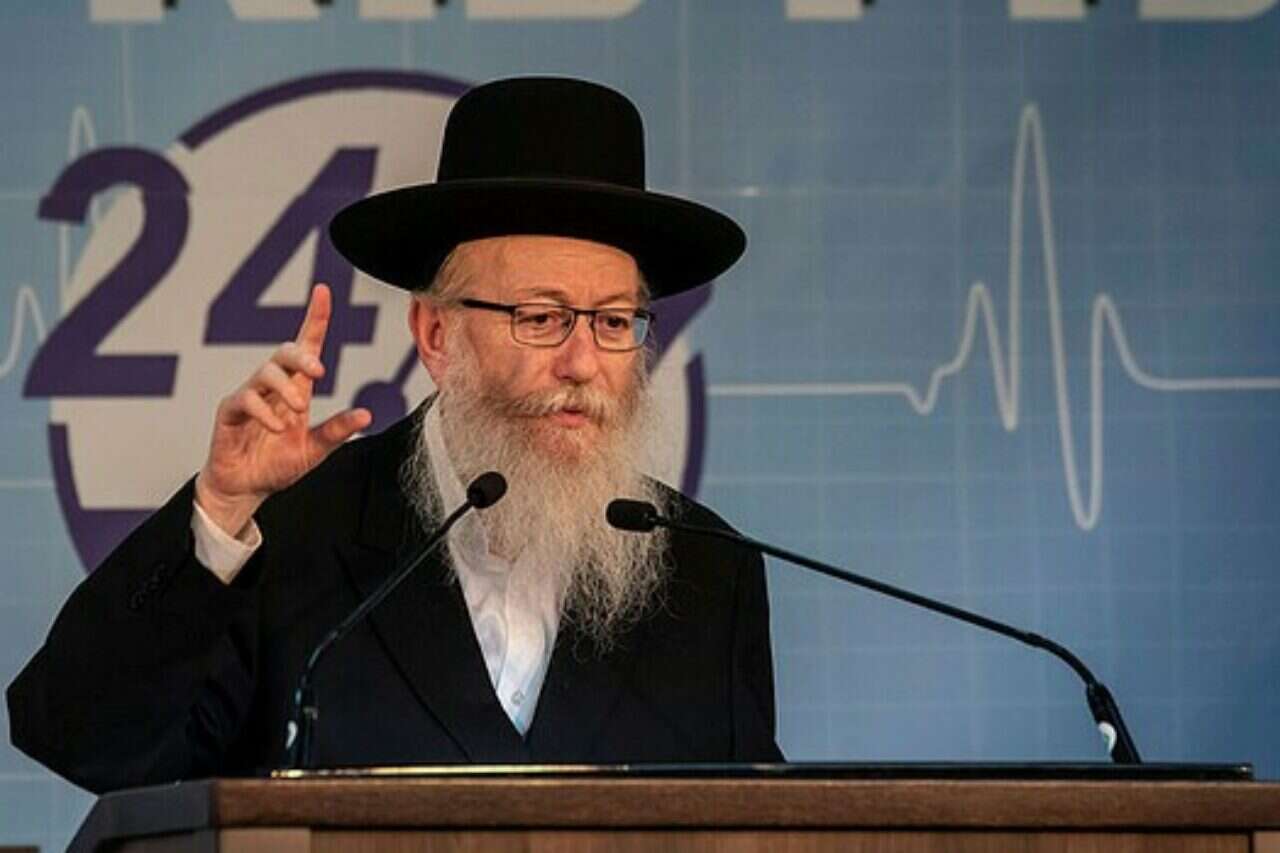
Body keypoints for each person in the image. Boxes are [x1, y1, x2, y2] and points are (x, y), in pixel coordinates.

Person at [7, 76, 782, 794]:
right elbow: (81, 739)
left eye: (613, 322)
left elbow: (760, 824)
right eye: (541, 317)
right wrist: (218, 511)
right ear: (436, 334)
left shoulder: (710, 574)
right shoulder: (289, 535)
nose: (583, 362)